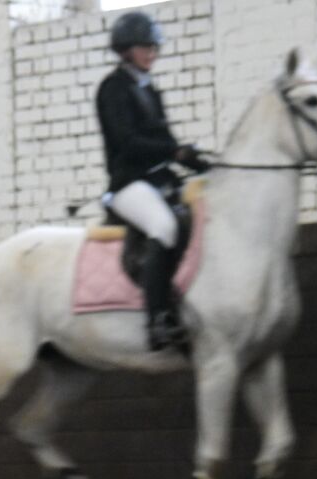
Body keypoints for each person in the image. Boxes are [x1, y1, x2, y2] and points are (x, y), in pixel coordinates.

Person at [95, 11, 210, 351]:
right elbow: (127, 142)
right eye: (146, 47)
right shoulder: (112, 88)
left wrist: (195, 161)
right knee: (164, 226)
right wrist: (173, 151)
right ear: (127, 49)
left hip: (158, 179)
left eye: (154, 47)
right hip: (128, 183)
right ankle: (157, 319)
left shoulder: (150, 90)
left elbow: (166, 142)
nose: (153, 53)